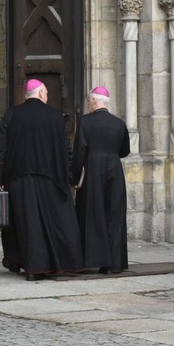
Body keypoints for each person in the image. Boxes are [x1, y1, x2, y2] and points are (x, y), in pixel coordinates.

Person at [0, 79, 83, 281]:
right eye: (47, 93)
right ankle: (57, 263)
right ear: (41, 93)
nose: (47, 96)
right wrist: (70, 177)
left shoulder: (11, 114)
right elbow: (65, 151)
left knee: (27, 224)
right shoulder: (55, 117)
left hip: (18, 178)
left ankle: (32, 267)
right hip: (51, 179)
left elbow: (1, 149)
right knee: (55, 222)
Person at [71, 86, 131, 275]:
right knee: (114, 214)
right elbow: (125, 151)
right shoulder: (119, 124)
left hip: (92, 171)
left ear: (94, 101)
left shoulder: (85, 122)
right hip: (114, 169)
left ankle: (92, 259)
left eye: (89, 101)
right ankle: (113, 264)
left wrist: (73, 177)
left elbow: (79, 151)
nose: (89, 104)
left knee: (93, 214)